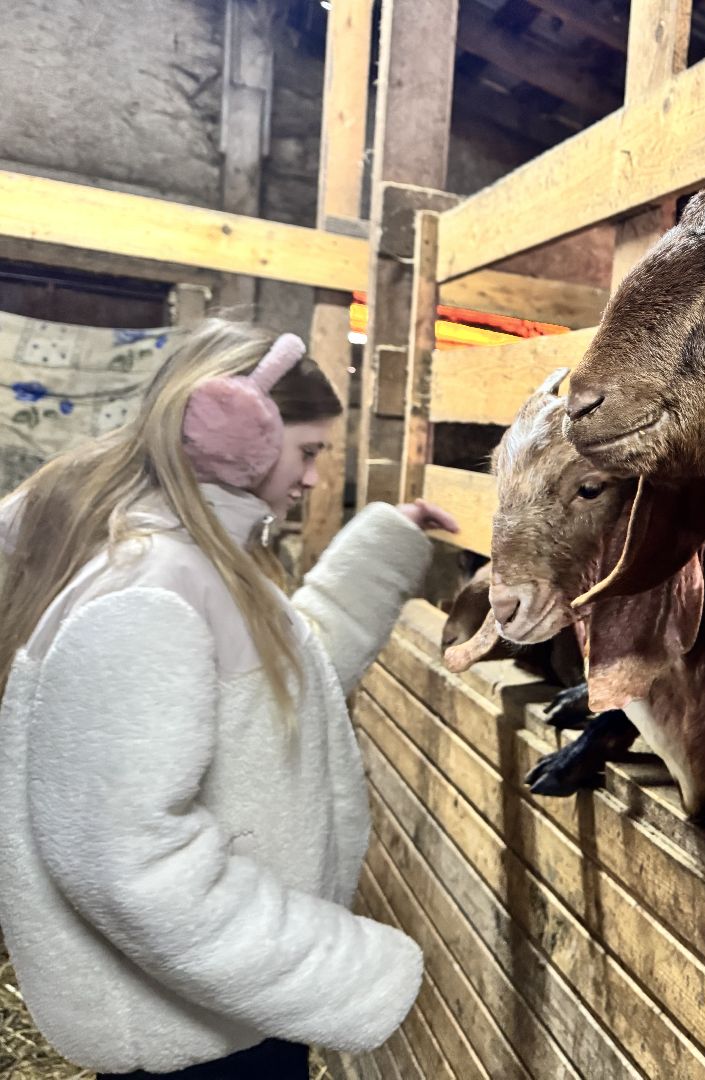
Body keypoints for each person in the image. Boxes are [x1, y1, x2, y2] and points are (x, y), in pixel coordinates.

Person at [0, 319, 458, 1078]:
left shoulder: (204, 568)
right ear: (235, 434)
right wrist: (339, 967)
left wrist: (385, 544)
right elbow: (125, 861)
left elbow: (281, 694)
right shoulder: (149, 591)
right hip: (197, 1031)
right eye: (308, 452)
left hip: (226, 1000)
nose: (314, 479)